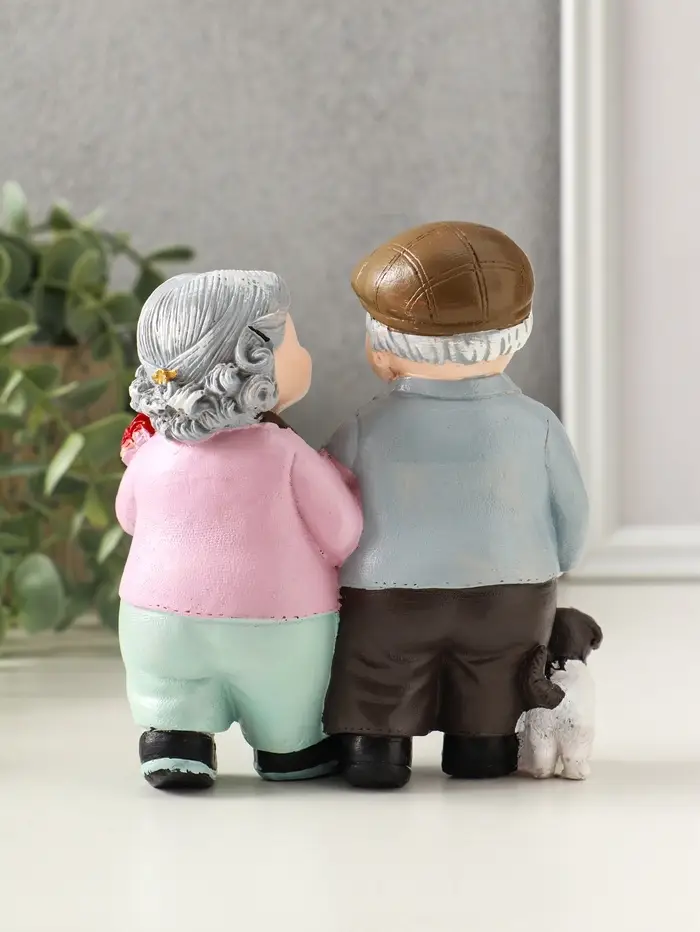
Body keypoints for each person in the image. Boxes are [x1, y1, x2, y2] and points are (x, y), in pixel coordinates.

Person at [322, 221, 589, 789]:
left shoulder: (363, 427)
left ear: (384, 349)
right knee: (495, 679)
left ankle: (375, 749)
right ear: (515, 338)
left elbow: (329, 511)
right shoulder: (539, 425)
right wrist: (559, 559)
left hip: (384, 596)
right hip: (512, 594)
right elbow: (572, 516)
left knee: (380, 673)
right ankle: (483, 749)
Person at [116, 269, 363, 790]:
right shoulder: (287, 453)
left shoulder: (153, 452)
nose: (304, 354)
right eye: (294, 343)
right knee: (287, 699)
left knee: (171, 689)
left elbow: (128, 517)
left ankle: (174, 738)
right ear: (254, 363)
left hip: (158, 618)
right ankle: (290, 749)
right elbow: (341, 534)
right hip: (280, 621)